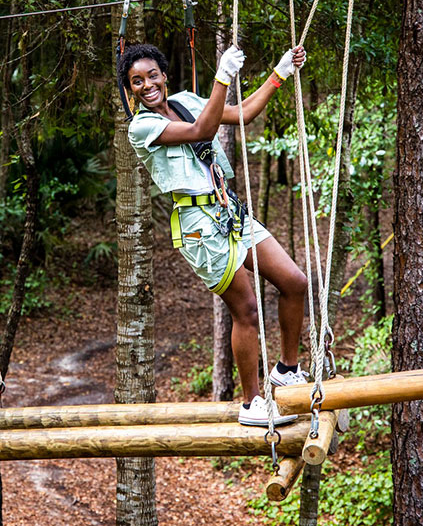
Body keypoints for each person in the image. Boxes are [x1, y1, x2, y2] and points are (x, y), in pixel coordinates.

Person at [119, 43, 309, 426]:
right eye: (136, 82)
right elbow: (200, 131)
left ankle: (287, 368)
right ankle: (251, 402)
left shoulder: (186, 99)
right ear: (130, 90)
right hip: (198, 226)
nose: (147, 85)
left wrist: (279, 73)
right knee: (247, 310)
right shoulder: (141, 126)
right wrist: (223, 75)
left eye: (152, 75)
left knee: (294, 281)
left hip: (227, 210)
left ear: (164, 75)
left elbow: (240, 114)